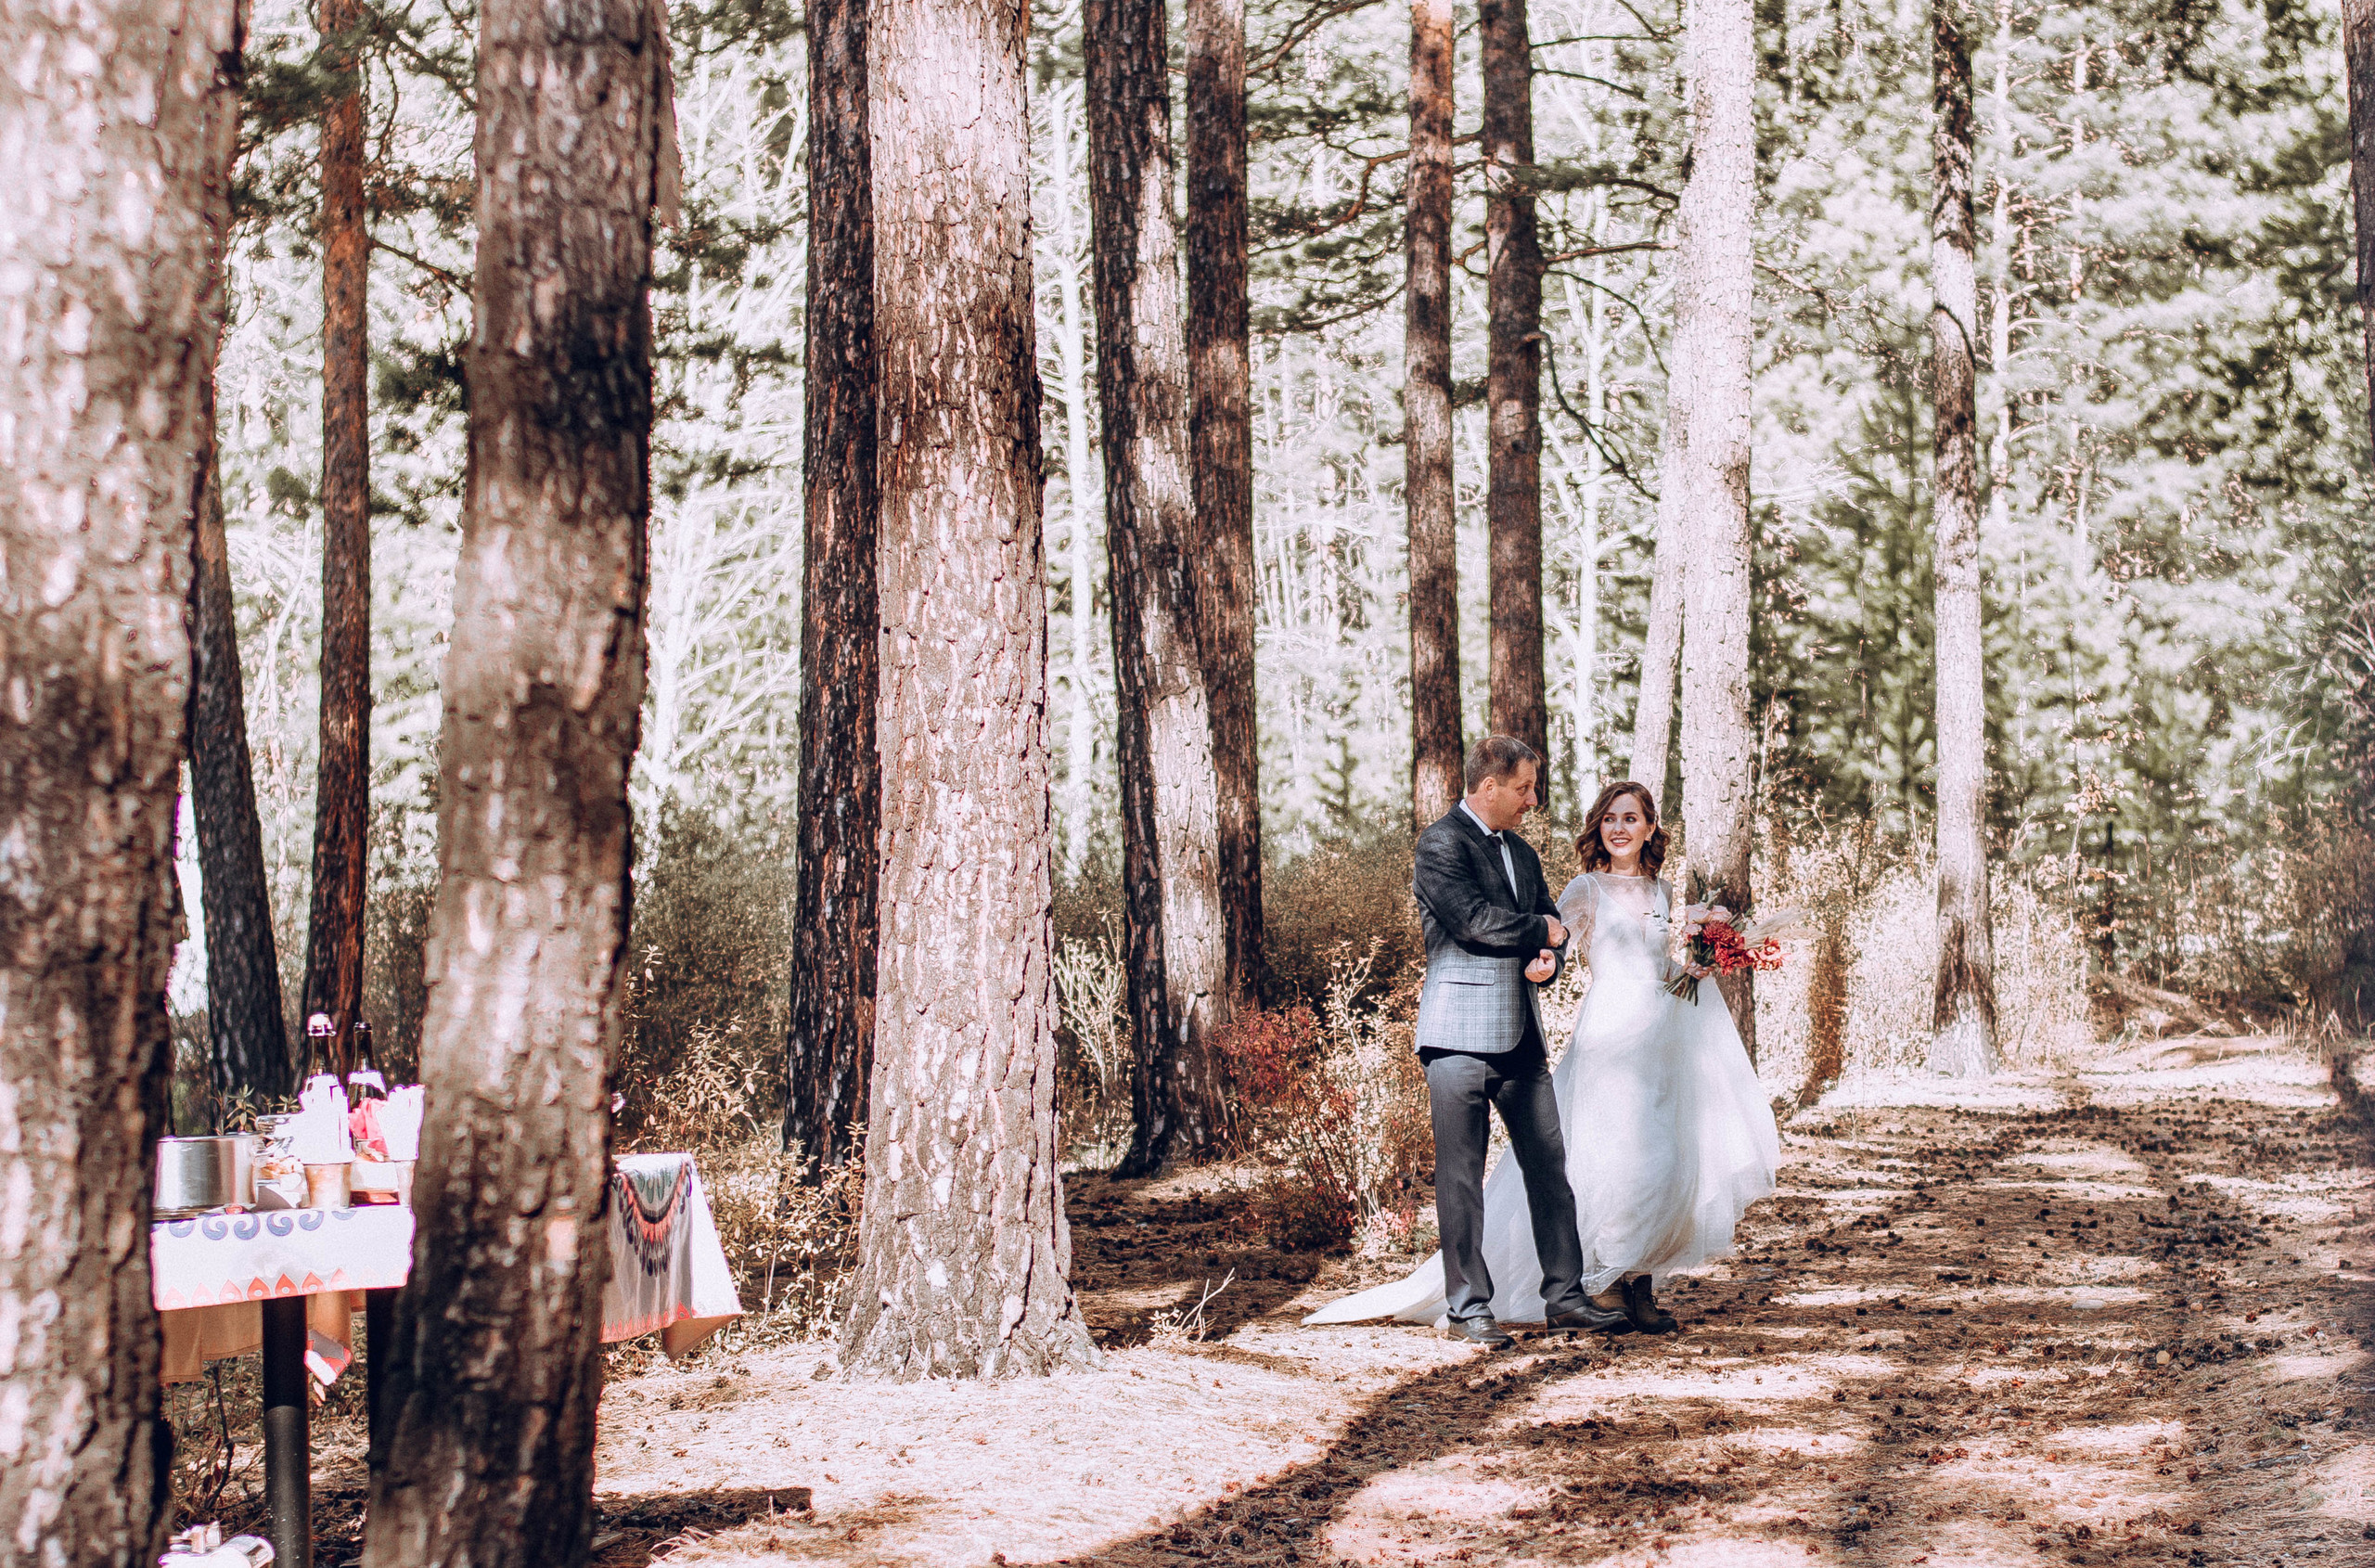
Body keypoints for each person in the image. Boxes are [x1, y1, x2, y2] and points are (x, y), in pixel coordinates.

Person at [1304, 777, 1778, 1338]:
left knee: (1663, 1157)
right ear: (1598, 829)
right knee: (1613, 1157)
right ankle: (1597, 1282)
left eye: (1630, 819)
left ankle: (1641, 1283)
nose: (1619, 829)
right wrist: (1543, 966)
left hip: (1663, 1039)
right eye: (1609, 819)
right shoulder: (1584, 889)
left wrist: (1695, 967)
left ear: (1651, 828)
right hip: (1610, 1035)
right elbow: (1553, 950)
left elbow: (1660, 967)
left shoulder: (1666, 893)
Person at [1310, 736, 1630, 1350]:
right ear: (1489, 786)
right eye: (1523, 788)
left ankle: (1565, 1298)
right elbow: (1473, 922)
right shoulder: (1439, 844)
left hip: (1521, 1037)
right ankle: (1467, 1309)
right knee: (1461, 1177)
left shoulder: (1524, 853)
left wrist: (1548, 960)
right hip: (1456, 1036)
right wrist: (1543, 928)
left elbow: (1552, 936)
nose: (1531, 800)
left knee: (1549, 1170)